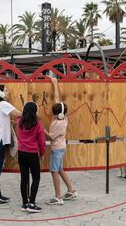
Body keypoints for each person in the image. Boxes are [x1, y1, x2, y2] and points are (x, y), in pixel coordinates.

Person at [0, 84, 22, 206]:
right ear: (1, 93)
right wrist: (31, 112)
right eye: (6, 91)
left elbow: (0, 121)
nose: (8, 93)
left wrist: (9, 123)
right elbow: (19, 113)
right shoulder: (3, 104)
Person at [45, 78, 77, 206]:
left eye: (54, 113)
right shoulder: (63, 117)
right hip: (61, 147)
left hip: (57, 148)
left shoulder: (58, 123)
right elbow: (58, 101)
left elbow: (51, 137)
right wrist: (55, 84)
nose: (52, 114)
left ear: (58, 114)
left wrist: (41, 129)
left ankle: (58, 197)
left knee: (54, 171)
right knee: (60, 169)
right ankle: (71, 190)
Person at [16, 101, 45, 213]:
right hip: (32, 154)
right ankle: (31, 203)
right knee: (36, 178)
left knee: (24, 178)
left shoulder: (19, 122)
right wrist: (42, 154)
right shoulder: (38, 124)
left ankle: (24, 203)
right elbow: (41, 142)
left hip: (21, 153)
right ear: (35, 112)